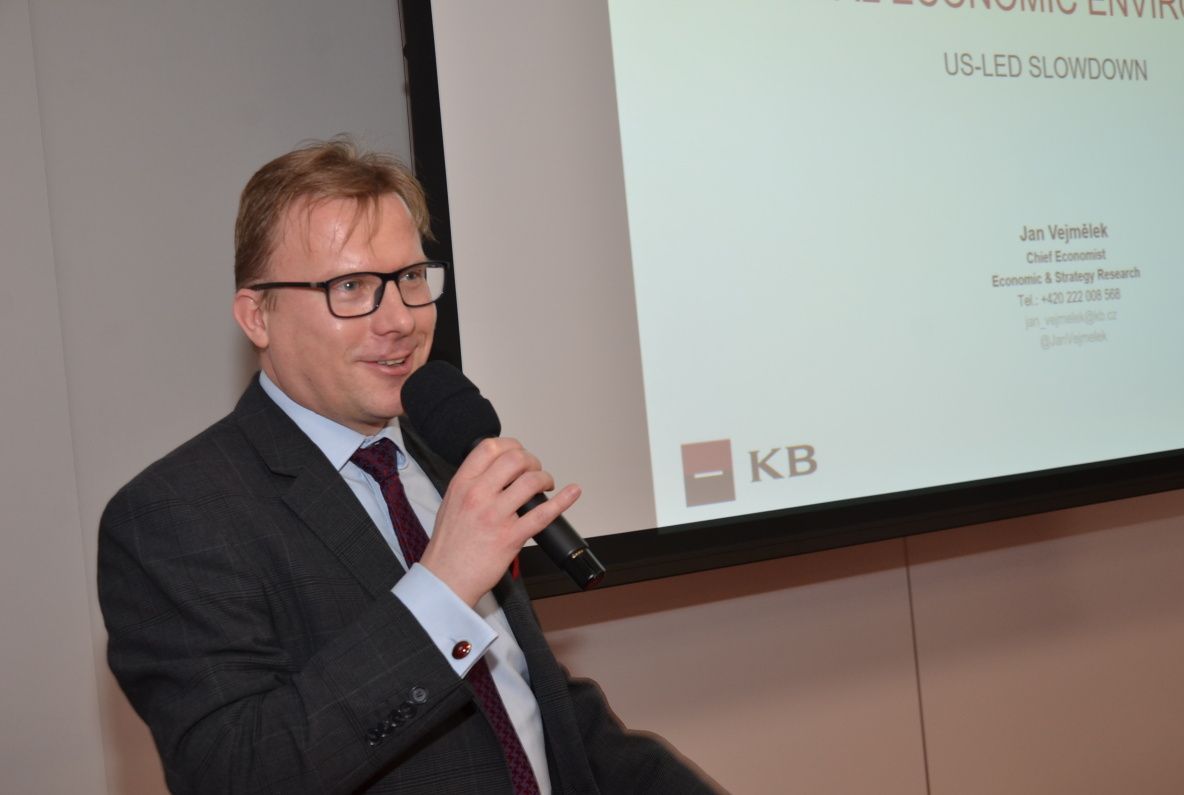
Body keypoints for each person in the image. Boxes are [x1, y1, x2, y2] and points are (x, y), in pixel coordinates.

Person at [97, 139, 720, 794]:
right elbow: (239, 772)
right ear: (258, 316)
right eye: (350, 287)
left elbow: (536, 705)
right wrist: (442, 587)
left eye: (412, 278)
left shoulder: (442, 450)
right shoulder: (174, 515)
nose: (399, 319)